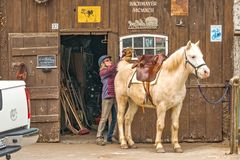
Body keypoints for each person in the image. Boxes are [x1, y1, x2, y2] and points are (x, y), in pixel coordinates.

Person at [96, 55, 117, 146]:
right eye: (107, 61)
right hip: (107, 96)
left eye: (110, 60)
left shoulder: (111, 71)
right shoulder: (103, 71)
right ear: (102, 64)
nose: (109, 62)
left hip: (114, 97)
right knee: (104, 118)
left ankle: (110, 136)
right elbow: (111, 69)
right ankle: (99, 137)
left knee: (115, 118)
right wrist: (120, 61)